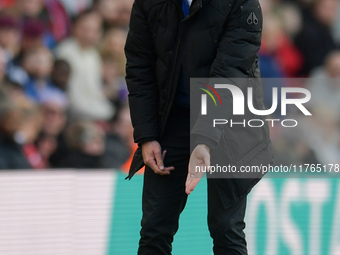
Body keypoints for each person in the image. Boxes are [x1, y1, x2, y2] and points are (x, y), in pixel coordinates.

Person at [125, 0, 274, 255]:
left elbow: (229, 73)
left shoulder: (242, 3)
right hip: (172, 119)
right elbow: (140, 66)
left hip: (230, 121)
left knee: (226, 229)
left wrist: (204, 139)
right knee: (154, 229)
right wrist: (147, 136)